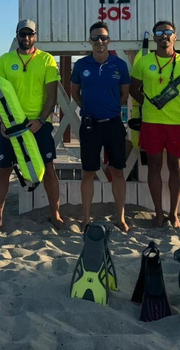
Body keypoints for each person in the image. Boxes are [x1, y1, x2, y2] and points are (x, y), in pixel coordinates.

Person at [0, 19, 63, 230]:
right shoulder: (5, 60)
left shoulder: (47, 60)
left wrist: (41, 120)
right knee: (3, 170)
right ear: (17, 36)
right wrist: (4, 122)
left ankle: (55, 214)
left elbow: (52, 96)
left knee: (49, 169)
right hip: (11, 125)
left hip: (38, 125)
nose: (26, 38)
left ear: (36, 36)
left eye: (30, 34)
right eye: (22, 34)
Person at [129, 20, 180, 228]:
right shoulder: (143, 62)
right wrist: (148, 106)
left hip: (177, 122)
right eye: (159, 32)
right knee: (154, 166)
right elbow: (134, 90)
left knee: (175, 167)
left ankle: (174, 214)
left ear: (174, 37)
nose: (164, 36)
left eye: (168, 32)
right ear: (154, 37)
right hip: (151, 123)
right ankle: (158, 213)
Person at [70, 21, 131, 232]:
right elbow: (74, 92)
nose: (99, 42)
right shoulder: (81, 65)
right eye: (95, 38)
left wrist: (112, 108)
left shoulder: (119, 65)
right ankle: (85, 218)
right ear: (90, 41)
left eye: (103, 38)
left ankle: (121, 218)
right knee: (88, 172)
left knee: (118, 171)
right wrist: (86, 109)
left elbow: (125, 94)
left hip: (113, 124)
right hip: (90, 126)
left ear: (109, 40)